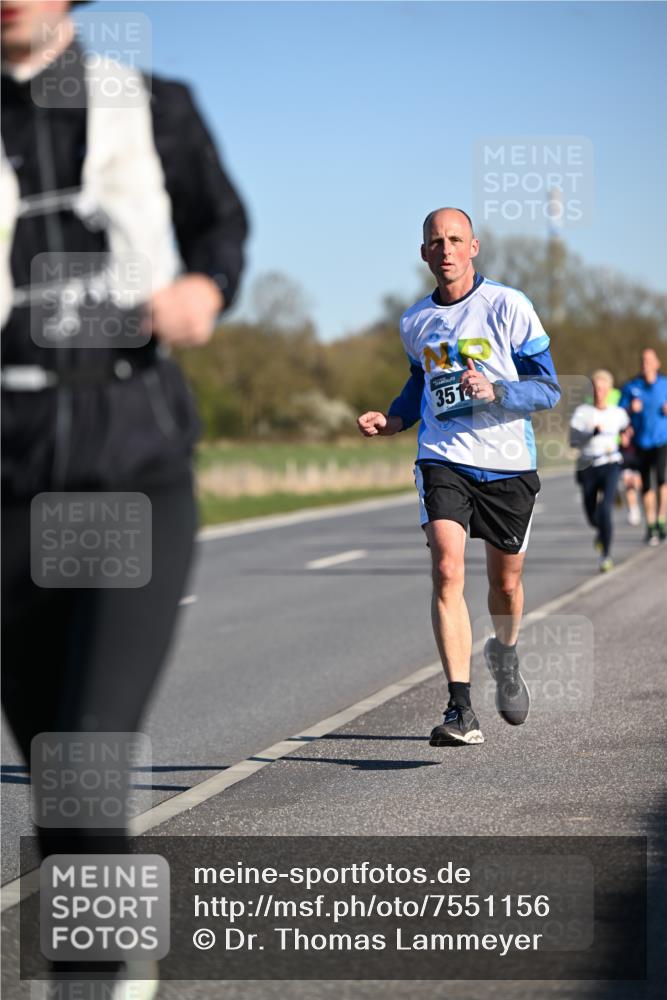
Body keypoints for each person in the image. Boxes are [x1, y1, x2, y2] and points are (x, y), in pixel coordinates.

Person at [1, 1, 247, 994]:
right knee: (60, 793)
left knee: (86, 776)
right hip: (6, 486)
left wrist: (207, 290)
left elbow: (221, 221)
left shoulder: (156, 106)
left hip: (129, 467)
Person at [357, 208, 560, 747]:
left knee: (505, 583)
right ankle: (461, 708)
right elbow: (416, 386)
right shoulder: (414, 321)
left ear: (474, 247)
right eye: (434, 241)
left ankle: (507, 653)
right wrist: (393, 419)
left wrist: (498, 391)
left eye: (454, 239)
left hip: (509, 463)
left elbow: (549, 388)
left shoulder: (508, 306)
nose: (444, 249)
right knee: (447, 569)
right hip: (443, 458)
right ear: (424, 253)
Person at [569, 370, 629, 572]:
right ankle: (600, 530)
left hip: (611, 462)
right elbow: (573, 441)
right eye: (595, 388)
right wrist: (591, 432)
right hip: (588, 465)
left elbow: (627, 428)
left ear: (609, 390)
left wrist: (627, 436)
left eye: (602, 389)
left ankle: (606, 555)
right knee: (592, 515)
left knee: (605, 511)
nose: (598, 392)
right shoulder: (582, 413)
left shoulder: (617, 413)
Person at [620, 348, 667, 545]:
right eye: (643, 360)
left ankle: (661, 520)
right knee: (646, 484)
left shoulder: (665, 384)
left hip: (663, 440)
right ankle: (650, 525)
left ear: (657, 364)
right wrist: (631, 409)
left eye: (649, 360)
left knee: (662, 480)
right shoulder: (632, 387)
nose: (645, 364)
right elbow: (620, 413)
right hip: (641, 442)